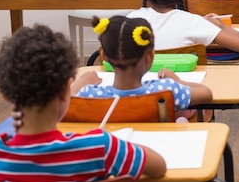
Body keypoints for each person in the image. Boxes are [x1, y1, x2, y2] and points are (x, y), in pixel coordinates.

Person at [0, 24, 166, 182]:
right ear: (66, 90)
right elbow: (159, 167)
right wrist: (121, 145)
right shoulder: (100, 146)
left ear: (5, 95)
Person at [71, 15, 213, 122]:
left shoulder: (88, 94)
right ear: (150, 56)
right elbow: (206, 93)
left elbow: (66, 101)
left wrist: (81, 82)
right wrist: (178, 81)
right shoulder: (167, 90)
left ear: (104, 56)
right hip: (157, 155)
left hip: (112, 158)